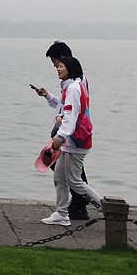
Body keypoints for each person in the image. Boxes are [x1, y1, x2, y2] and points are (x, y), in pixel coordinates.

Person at [40, 55, 102, 226]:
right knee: (59, 177)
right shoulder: (69, 87)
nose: (58, 69)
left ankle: (105, 208)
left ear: (71, 69)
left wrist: (59, 138)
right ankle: (61, 214)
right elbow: (67, 113)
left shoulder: (74, 88)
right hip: (69, 142)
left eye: (61, 66)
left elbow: (72, 117)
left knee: (74, 180)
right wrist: (60, 117)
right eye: (58, 66)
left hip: (76, 142)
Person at [35, 40, 90, 220]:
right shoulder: (71, 82)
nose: (55, 67)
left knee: (74, 176)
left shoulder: (75, 84)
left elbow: (71, 111)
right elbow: (64, 105)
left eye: (55, 62)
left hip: (71, 134)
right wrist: (48, 96)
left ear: (62, 60)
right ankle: (65, 210)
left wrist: (60, 134)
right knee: (63, 174)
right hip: (66, 131)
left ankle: (85, 205)